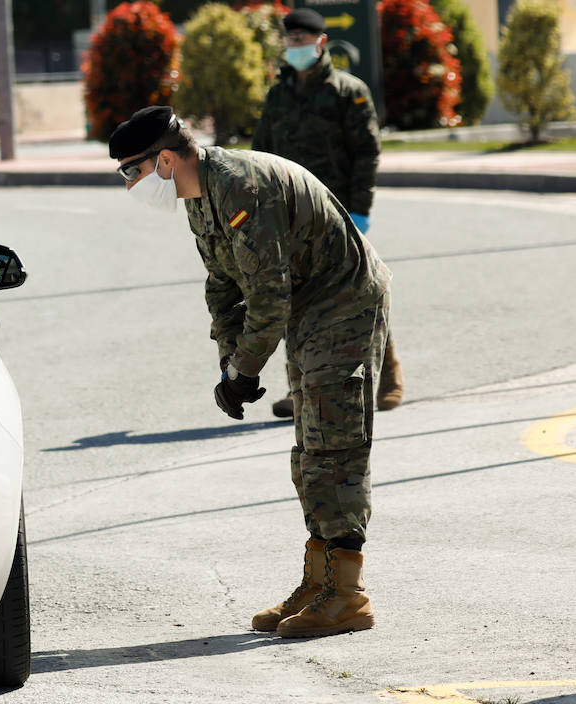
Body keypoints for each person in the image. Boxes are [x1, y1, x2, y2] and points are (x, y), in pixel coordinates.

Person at [111, 105, 390, 637]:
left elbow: (267, 295)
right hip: (309, 308)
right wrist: (228, 364)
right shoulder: (198, 197)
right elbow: (223, 287)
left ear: (165, 159)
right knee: (309, 447)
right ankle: (320, 582)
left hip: (344, 301)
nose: (129, 186)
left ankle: (349, 596)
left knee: (336, 445)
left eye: (132, 171)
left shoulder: (240, 188)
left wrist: (245, 368)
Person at [252, 8, 404, 417]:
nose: (295, 47)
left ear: (321, 43)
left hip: (340, 210)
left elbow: (366, 153)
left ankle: (387, 375)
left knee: (362, 290)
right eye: (290, 41)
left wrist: (360, 209)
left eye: (302, 40)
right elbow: (261, 154)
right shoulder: (278, 95)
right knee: (294, 298)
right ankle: (299, 388)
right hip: (290, 214)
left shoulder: (347, 91)